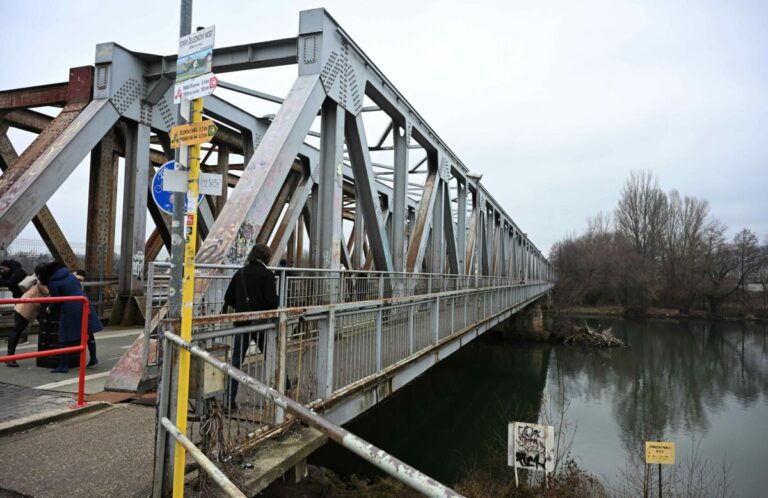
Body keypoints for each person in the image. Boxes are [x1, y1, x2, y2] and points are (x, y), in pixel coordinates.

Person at [222, 243, 278, 409]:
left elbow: (228, 297)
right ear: (266, 257)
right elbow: (271, 302)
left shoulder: (240, 273)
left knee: (237, 361)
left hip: (242, 322)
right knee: (272, 357)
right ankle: (282, 395)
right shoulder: (267, 275)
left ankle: (229, 401)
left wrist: (242, 306)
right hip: (261, 324)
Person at [36, 262, 102, 373]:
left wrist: (49, 308)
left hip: (70, 306)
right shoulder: (69, 274)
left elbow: (56, 299)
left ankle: (63, 366)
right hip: (84, 301)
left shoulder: (52, 281)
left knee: (63, 337)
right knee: (87, 331)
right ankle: (93, 358)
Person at [6, 266, 49, 367]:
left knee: (17, 331)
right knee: (17, 331)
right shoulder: (42, 282)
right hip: (25, 309)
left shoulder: (41, 279)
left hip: (25, 307)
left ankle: (9, 357)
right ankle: (9, 357)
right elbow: (48, 293)